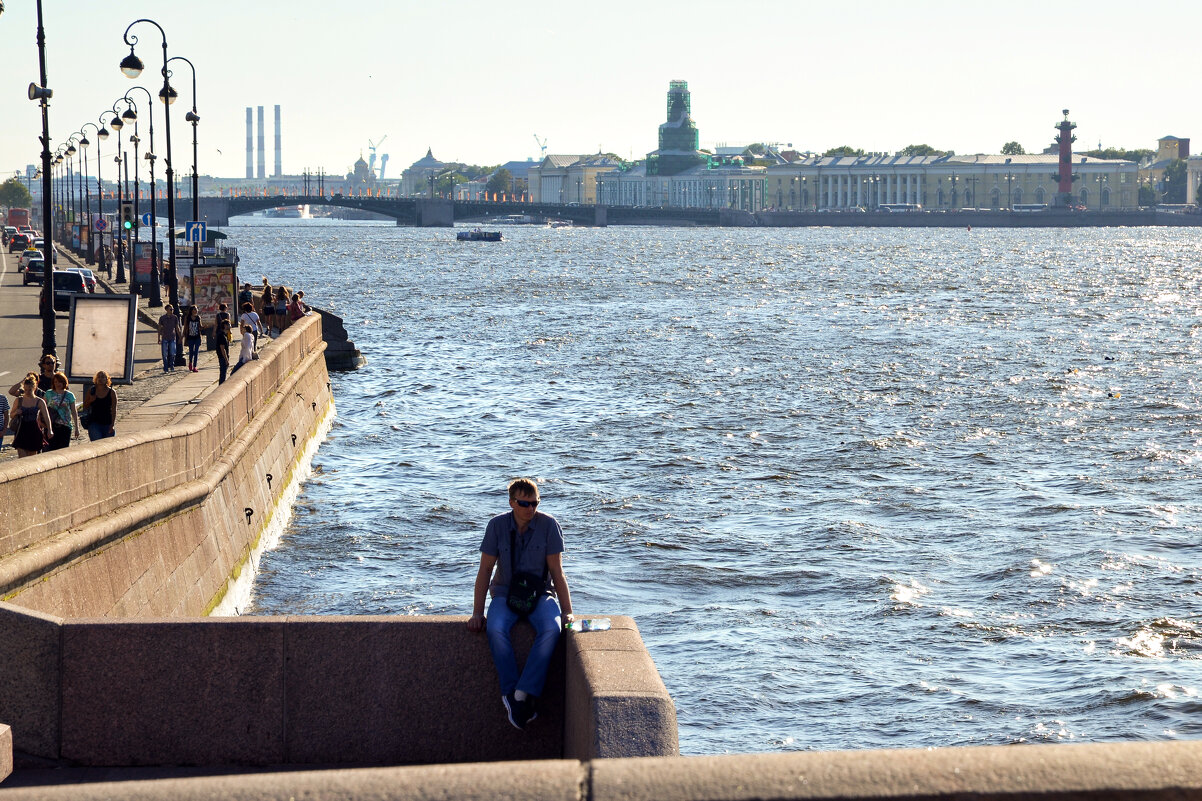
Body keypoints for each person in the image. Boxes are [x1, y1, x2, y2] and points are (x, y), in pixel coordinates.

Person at [467, 479, 573, 730]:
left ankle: (523, 693)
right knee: (495, 628)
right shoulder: (497, 526)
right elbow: (484, 570)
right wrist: (476, 613)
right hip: (505, 592)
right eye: (524, 503)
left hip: (540, 593)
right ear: (512, 502)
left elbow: (557, 572)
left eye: (535, 503)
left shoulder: (549, 526)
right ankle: (510, 692)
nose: (530, 509)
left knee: (551, 627)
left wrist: (567, 612)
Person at [10, 374, 52, 457]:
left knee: (31, 458)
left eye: (29, 390)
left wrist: (50, 430)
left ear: (34, 388)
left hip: (34, 430)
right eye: (25, 389)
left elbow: (46, 416)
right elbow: (11, 415)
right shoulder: (19, 400)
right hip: (21, 430)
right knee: (22, 458)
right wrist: (16, 413)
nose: (27, 392)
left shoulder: (39, 401)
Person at [44, 371, 81, 450]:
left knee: (63, 450)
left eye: (60, 381)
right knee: (49, 450)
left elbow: (74, 411)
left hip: (65, 426)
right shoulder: (48, 393)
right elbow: (43, 408)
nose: (58, 384)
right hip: (51, 425)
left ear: (64, 382)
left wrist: (77, 428)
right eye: (56, 382)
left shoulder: (69, 395)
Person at [81, 370, 117, 441]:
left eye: (103, 377)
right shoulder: (92, 390)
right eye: (99, 377)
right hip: (94, 423)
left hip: (107, 423)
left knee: (108, 446)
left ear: (107, 379)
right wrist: (91, 400)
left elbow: (114, 409)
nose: (100, 379)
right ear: (96, 379)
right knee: (96, 443)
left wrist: (112, 424)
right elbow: (85, 406)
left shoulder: (112, 392)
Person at [157, 304, 181, 373]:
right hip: (165, 337)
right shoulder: (162, 318)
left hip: (172, 337)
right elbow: (159, 328)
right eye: (171, 309)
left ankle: (171, 365)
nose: (172, 310)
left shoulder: (175, 317)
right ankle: (165, 368)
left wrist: (180, 337)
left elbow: (177, 327)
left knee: (173, 353)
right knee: (164, 354)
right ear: (167, 310)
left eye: (172, 309)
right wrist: (159, 338)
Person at [214, 303, 232, 384]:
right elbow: (222, 348)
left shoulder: (218, 315)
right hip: (222, 356)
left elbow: (215, 324)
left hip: (218, 332)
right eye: (229, 324)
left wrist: (214, 332)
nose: (230, 325)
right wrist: (226, 359)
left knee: (223, 372)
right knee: (223, 373)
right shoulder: (222, 336)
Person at [183, 306, 204, 373]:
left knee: (196, 352)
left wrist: (204, 327)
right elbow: (185, 327)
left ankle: (195, 366)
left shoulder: (198, 317)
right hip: (190, 337)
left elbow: (200, 327)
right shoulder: (188, 318)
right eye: (195, 309)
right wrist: (182, 336)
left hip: (197, 337)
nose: (196, 310)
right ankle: (190, 362)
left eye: (196, 309)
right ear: (192, 310)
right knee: (191, 351)